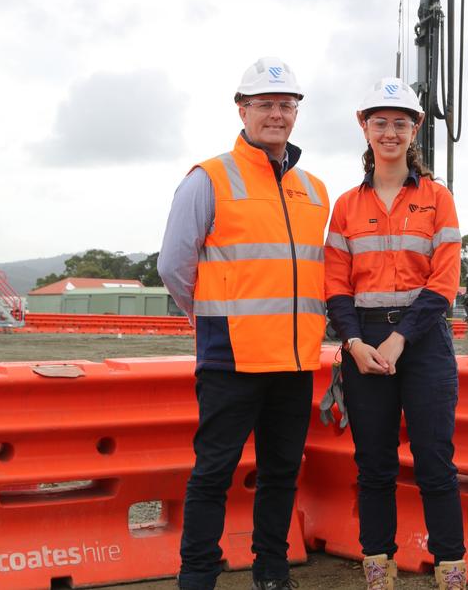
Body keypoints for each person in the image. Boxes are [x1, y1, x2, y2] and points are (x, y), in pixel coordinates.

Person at [158, 56, 329, 590]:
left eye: (286, 105)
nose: (276, 115)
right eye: (265, 105)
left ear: (296, 113)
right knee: (213, 475)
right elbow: (173, 264)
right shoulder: (208, 178)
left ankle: (272, 573)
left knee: (280, 475)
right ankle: (198, 577)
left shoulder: (315, 191)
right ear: (242, 110)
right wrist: (212, 314)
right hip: (230, 359)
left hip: (295, 362)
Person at [324, 77, 467, 590]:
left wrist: (401, 337)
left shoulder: (437, 200)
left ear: (415, 131)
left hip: (424, 342)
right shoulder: (345, 206)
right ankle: (378, 567)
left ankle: (450, 567)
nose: (389, 132)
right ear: (364, 128)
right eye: (379, 122)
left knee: (434, 461)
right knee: (375, 465)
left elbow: (443, 283)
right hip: (363, 345)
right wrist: (355, 343)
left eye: (399, 123)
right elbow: (336, 286)